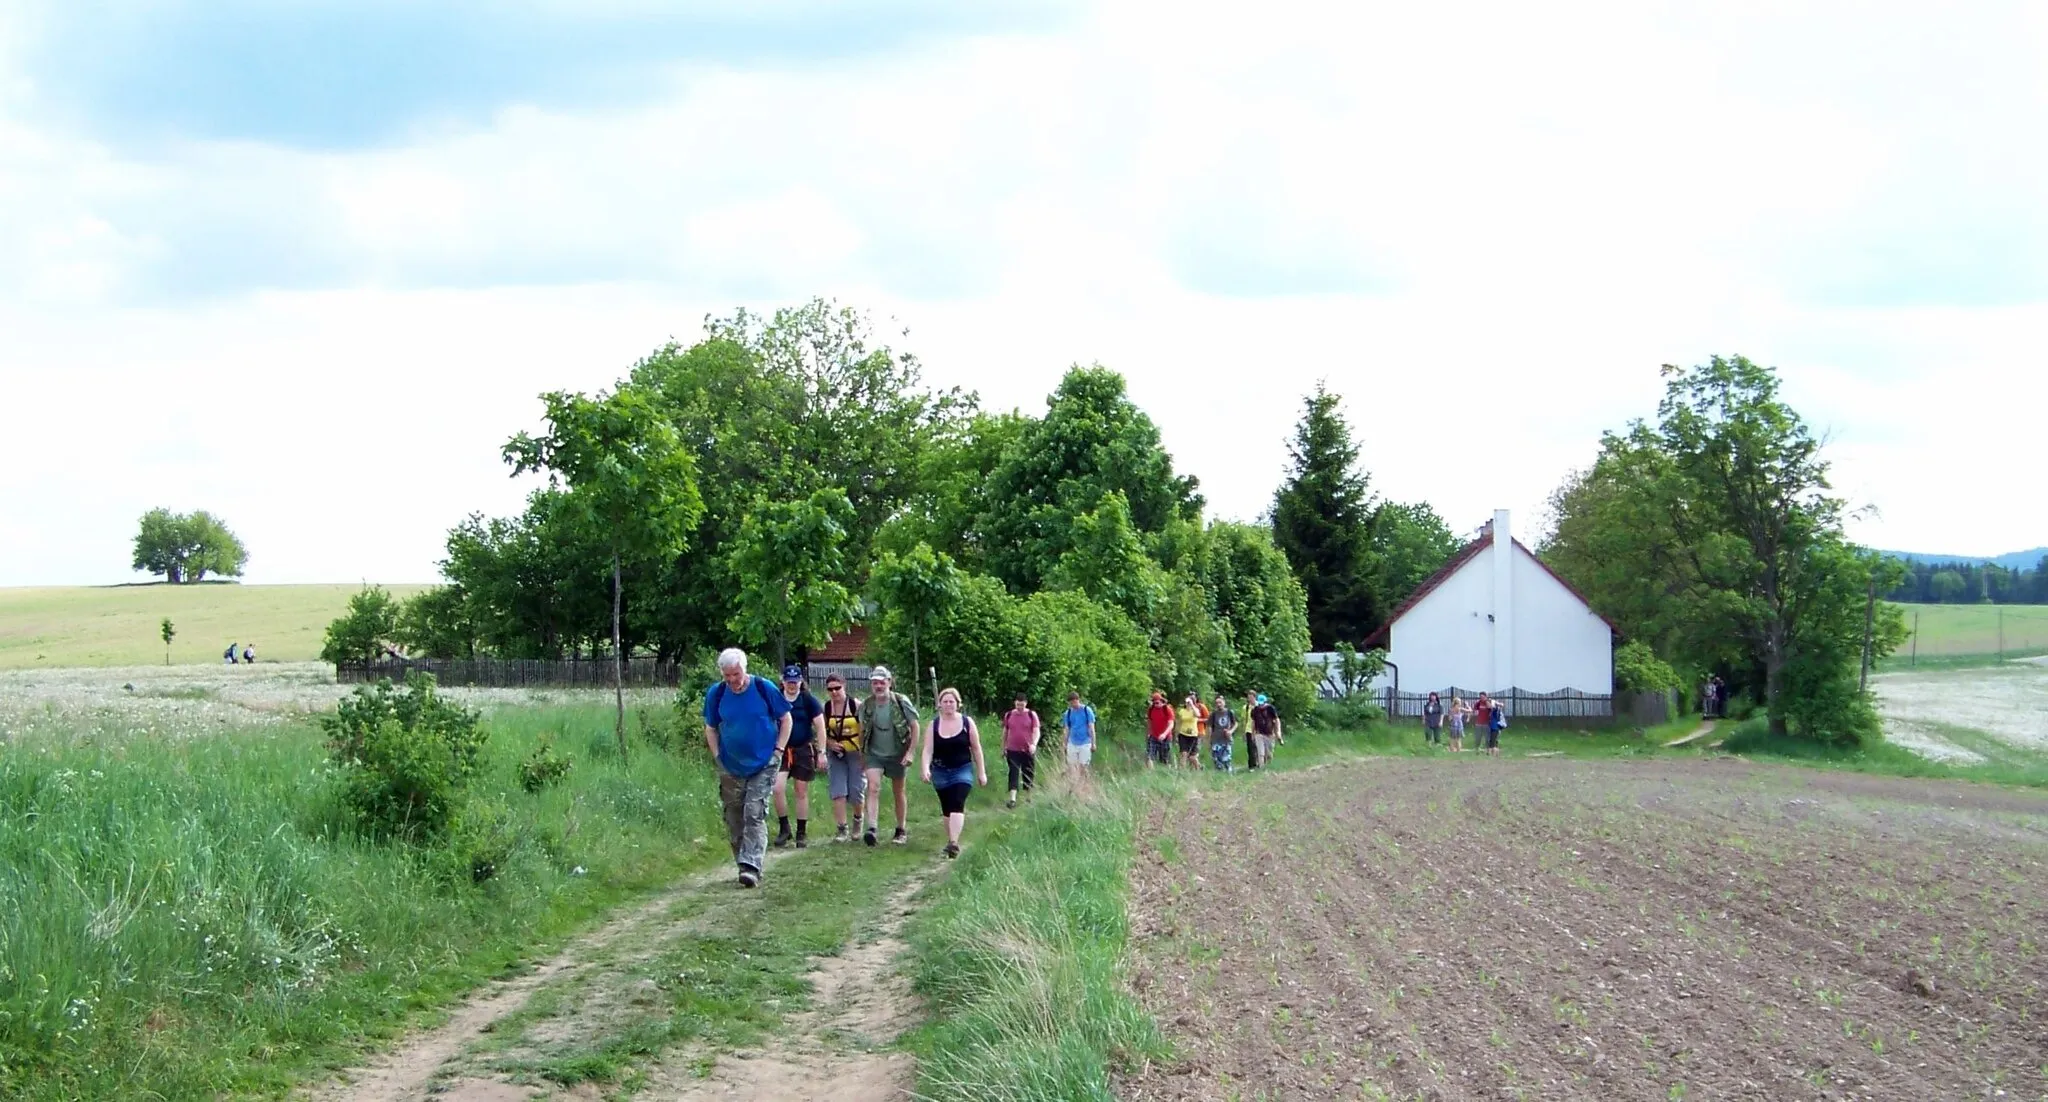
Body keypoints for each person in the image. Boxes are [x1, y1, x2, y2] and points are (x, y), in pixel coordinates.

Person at [701, 648, 791, 888]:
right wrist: (717, 755)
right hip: (730, 764)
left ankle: (752, 864)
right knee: (734, 815)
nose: (732, 680)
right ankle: (743, 863)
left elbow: (786, 719)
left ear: (745, 669)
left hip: (764, 762)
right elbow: (710, 727)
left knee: (754, 811)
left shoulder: (763, 688)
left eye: (736, 674)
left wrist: (778, 751)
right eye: (727, 675)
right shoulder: (717, 694)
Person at [921, 688, 989, 859]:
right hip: (940, 770)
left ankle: (953, 842)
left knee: (958, 801)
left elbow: (976, 748)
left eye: (952, 701)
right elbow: (928, 750)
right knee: (947, 807)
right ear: (939, 705)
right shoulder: (933, 725)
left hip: (962, 769)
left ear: (958, 704)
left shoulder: (967, 722)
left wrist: (982, 772)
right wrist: (925, 768)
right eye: (945, 701)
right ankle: (951, 839)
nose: (948, 704)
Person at [859, 666, 920, 847]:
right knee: (873, 787)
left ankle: (900, 829)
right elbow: (862, 730)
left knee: (898, 791)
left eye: (881, 682)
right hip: (874, 753)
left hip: (897, 752)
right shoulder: (867, 705)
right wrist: (862, 754)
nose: (878, 686)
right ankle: (872, 828)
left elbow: (915, 726)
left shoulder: (900, 701)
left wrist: (911, 752)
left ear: (889, 682)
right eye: (875, 683)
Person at [772, 665, 826, 849]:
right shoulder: (776, 698)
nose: (792, 685)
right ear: (783, 682)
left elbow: (820, 726)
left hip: (803, 748)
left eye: (795, 682)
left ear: (800, 682)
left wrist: (822, 752)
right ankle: (784, 828)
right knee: (777, 787)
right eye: (789, 682)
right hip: (781, 748)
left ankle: (801, 832)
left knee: (801, 791)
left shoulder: (808, 700)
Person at [821, 674, 867, 843]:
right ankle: (842, 828)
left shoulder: (856, 706)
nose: (834, 692)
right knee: (838, 791)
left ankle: (857, 820)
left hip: (856, 753)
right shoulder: (826, 708)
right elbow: (820, 731)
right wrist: (829, 743)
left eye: (837, 688)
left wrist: (864, 754)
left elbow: (865, 731)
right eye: (830, 689)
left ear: (844, 686)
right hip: (836, 754)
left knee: (856, 791)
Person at [1000, 694, 1040, 808]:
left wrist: (1034, 744)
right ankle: (1012, 799)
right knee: (1013, 772)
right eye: (1018, 704)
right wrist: (1003, 747)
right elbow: (1005, 732)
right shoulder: (1009, 715)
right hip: (1012, 749)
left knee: (1028, 772)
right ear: (1014, 703)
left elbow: (1036, 731)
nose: (1020, 707)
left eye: (1022, 705)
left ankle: (1028, 797)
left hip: (1028, 750)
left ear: (1026, 703)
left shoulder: (1032, 715)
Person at [1062, 692, 1097, 776]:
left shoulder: (1086, 710)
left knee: (1083, 766)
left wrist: (1093, 743)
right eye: (1071, 703)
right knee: (1072, 766)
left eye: (1074, 702)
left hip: (1085, 742)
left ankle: (1083, 784)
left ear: (1078, 700)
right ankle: (1074, 784)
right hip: (1072, 742)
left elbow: (1091, 727)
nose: (1073, 705)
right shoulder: (1068, 713)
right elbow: (1067, 729)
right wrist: (1064, 743)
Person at [1207, 693, 1236, 772]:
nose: (1218, 704)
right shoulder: (1213, 714)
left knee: (1227, 759)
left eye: (1220, 702)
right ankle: (1219, 775)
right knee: (1216, 760)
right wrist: (1209, 740)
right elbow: (1209, 727)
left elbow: (1235, 723)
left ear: (1224, 702)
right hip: (1216, 739)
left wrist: (1231, 731)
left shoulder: (1229, 712)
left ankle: (1229, 773)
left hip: (1226, 739)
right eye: (1217, 703)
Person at [1250, 694, 1282, 766]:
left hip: (1269, 733)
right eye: (1260, 703)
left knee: (1269, 753)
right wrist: (1253, 733)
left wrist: (1278, 732)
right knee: (1260, 753)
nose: (1261, 705)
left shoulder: (1270, 708)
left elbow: (1276, 720)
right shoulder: (1255, 710)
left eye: (1262, 703)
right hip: (1259, 733)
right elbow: (1253, 722)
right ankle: (1261, 767)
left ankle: (1269, 766)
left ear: (1265, 702)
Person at [1145, 691, 1174, 768]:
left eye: (1157, 703)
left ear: (1162, 701)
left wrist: (1164, 734)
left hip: (1166, 737)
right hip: (1153, 736)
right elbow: (1149, 721)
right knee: (1150, 756)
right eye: (1154, 703)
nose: (1155, 705)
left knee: (1165, 759)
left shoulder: (1167, 709)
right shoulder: (1151, 709)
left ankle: (1168, 773)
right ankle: (1150, 775)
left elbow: (1171, 724)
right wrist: (1148, 733)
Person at [1174, 694, 1203, 768]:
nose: (1187, 703)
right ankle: (1182, 770)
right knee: (1184, 754)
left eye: (1189, 702)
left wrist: (1192, 705)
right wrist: (1176, 734)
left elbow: (1198, 715)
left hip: (1193, 735)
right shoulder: (1182, 711)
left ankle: (1199, 767)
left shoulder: (1194, 711)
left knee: (1192, 757)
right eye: (1186, 702)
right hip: (1183, 734)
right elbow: (1179, 722)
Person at [1242, 691, 1262, 769]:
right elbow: (1244, 720)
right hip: (1249, 729)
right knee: (1250, 748)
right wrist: (1243, 732)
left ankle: (1260, 763)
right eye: (1248, 697)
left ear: (1254, 697)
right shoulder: (1246, 707)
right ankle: (1251, 766)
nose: (1249, 699)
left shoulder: (1259, 705)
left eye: (1251, 697)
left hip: (1259, 729)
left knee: (1259, 747)